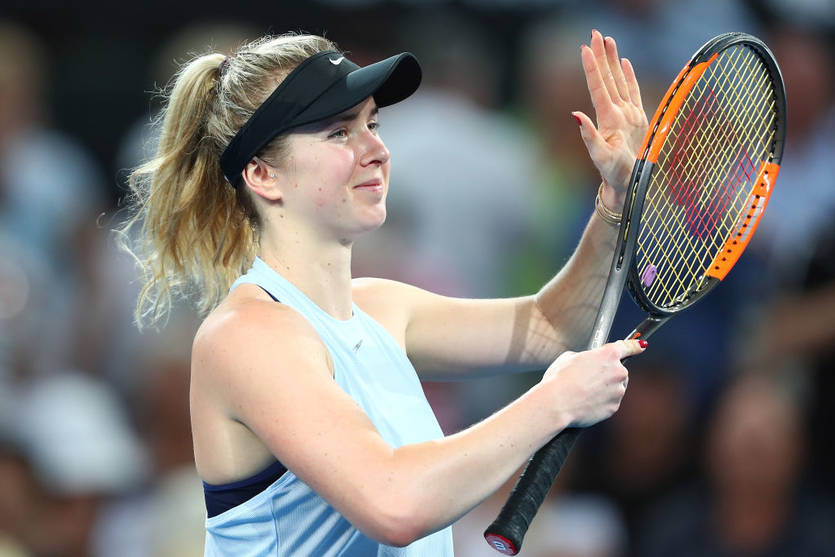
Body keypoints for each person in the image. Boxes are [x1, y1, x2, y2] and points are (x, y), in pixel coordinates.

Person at [119, 30, 648, 555]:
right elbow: (395, 503)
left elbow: (553, 325)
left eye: (371, 124)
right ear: (263, 174)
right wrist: (554, 402)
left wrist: (616, 199)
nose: (377, 149)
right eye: (338, 132)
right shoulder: (247, 335)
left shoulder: (381, 306)